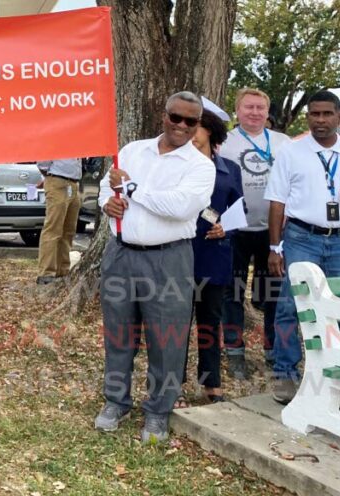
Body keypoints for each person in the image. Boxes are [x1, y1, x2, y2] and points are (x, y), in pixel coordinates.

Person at [94, 91, 215, 443]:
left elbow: (177, 206)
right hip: (121, 254)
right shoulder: (133, 151)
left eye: (190, 121)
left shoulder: (199, 166)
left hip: (170, 259)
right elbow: (107, 184)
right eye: (175, 117)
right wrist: (107, 204)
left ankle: (159, 411)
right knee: (119, 334)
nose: (180, 126)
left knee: (167, 339)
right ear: (164, 115)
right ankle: (116, 401)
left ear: (198, 125)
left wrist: (129, 188)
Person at [265, 90, 340, 405]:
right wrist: (275, 246)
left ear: (339, 117)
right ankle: (285, 372)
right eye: (315, 114)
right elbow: (277, 201)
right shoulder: (292, 151)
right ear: (308, 117)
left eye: (327, 114)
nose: (320, 120)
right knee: (291, 304)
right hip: (302, 236)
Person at [217, 88, 293, 380]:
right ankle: (235, 352)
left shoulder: (283, 143)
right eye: (249, 107)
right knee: (232, 292)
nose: (255, 112)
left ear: (267, 111)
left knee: (272, 293)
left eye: (260, 107)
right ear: (237, 110)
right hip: (234, 229)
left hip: (273, 230)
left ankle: (273, 350)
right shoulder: (224, 142)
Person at [181, 109, 244, 405]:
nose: (190, 131)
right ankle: (173, 383)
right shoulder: (177, 165)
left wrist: (226, 230)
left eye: (197, 126)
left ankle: (211, 383)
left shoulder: (230, 169)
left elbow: (237, 211)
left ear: (210, 130)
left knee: (210, 321)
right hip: (179, 253)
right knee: (177, 322)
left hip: (214, 254)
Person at [36, 158, 83, 285]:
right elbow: (42, 162)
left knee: (69, 231)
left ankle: (62, 270)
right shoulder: (56, 140)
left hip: (73, 183)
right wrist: (51, 177)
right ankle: (46, 272)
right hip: (58, 180)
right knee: (53, 228)